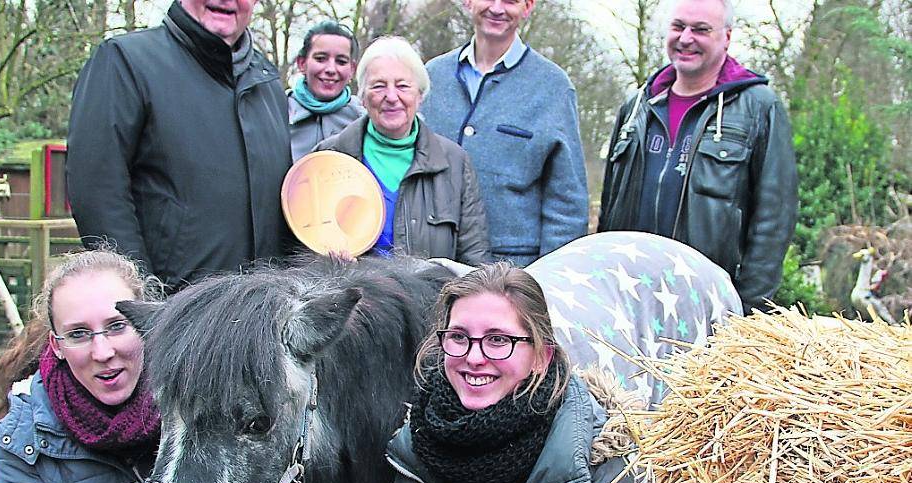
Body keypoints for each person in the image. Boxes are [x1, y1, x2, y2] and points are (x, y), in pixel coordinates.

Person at [366, 263, 635, 483]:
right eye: (459, 337)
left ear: (541, 356)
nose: (473, 357)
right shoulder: (424, 437)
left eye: (498, 340)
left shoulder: (595, 462)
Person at [66, 0, 297, 292]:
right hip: (172, 318)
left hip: (261, 321)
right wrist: (143, 304)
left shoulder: (268, 84)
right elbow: (98, 194)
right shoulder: (125, 62)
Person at [598, 0, 798, 313]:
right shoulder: (637, 107)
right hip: (630, 298)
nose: (686, 38)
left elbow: (774, 219)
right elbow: (610, 206)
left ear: (727, 36)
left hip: (710, 302)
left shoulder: (759, 107)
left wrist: (748, 309)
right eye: (678, 27)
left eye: (701, 30)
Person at [0, 250, 161, 483]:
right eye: (78, 334)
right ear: (57, 345)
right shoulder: (23, 440)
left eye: (118, 326)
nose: (102, 352)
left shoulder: (202, 408)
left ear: (147, 325)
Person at [420, 0, 588, 266]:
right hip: (432, 264)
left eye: (510, 0)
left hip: (511, 271)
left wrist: (548, 280)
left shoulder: (553, 87)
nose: (497, 9)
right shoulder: (431, 77)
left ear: (528, 6)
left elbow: (566, 203)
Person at [316, 36, 491, 265]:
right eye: (378, 86)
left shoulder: (455, 164)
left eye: (402, 86)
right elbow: (302, 254)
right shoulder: (329, 158)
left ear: (420, 95)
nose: (391, 97)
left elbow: (474, 262)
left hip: (430, 300)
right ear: (363, 98)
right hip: (354, 299)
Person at [288, 21, 366, 161]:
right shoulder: (278, 112)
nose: (331, 69)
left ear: (352, 69)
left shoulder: (363, 121)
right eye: (321, 59)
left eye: (341, 61)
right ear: (302, 63)